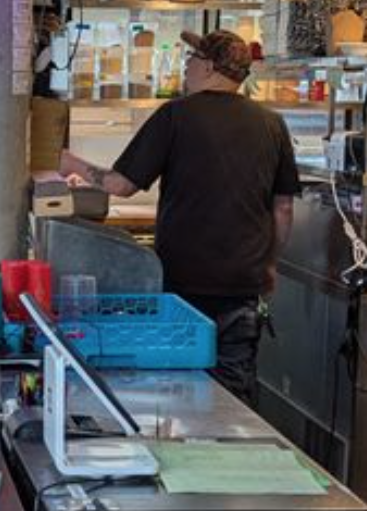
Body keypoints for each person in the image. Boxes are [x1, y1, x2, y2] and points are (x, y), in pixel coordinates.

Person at [60, 29, 300, 400]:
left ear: (209, 67)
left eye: (191, 59)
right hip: (243, 285)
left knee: (181, 385)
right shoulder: (271, 123)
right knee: (234, 393)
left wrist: (69, 163)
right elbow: (283, 208)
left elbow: (121, 185)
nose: (186, 67)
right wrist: (269, 264)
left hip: (183, 285)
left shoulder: (176, 115)